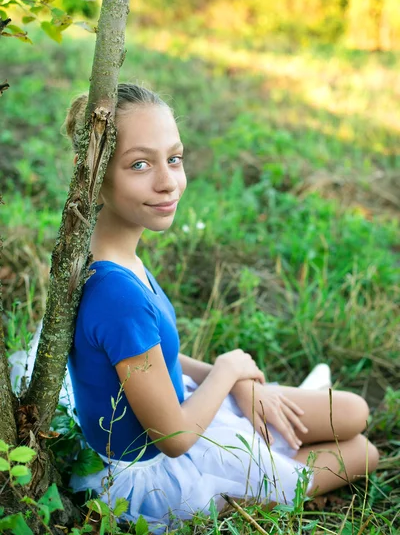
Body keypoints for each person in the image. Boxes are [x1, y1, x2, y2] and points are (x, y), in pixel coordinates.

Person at [61, 84, 378, 531]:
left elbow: (149, 360)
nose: (167, 180)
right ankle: (248, 489)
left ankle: (266, 445)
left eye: (173, 158)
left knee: (353, 412)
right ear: (92, 175)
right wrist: (229, 369)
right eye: (139, 164)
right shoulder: (116, 293)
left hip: (180, 401)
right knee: (364, 451)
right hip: (162, 471)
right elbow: (175, 438)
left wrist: (234, 381)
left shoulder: (113, 256)